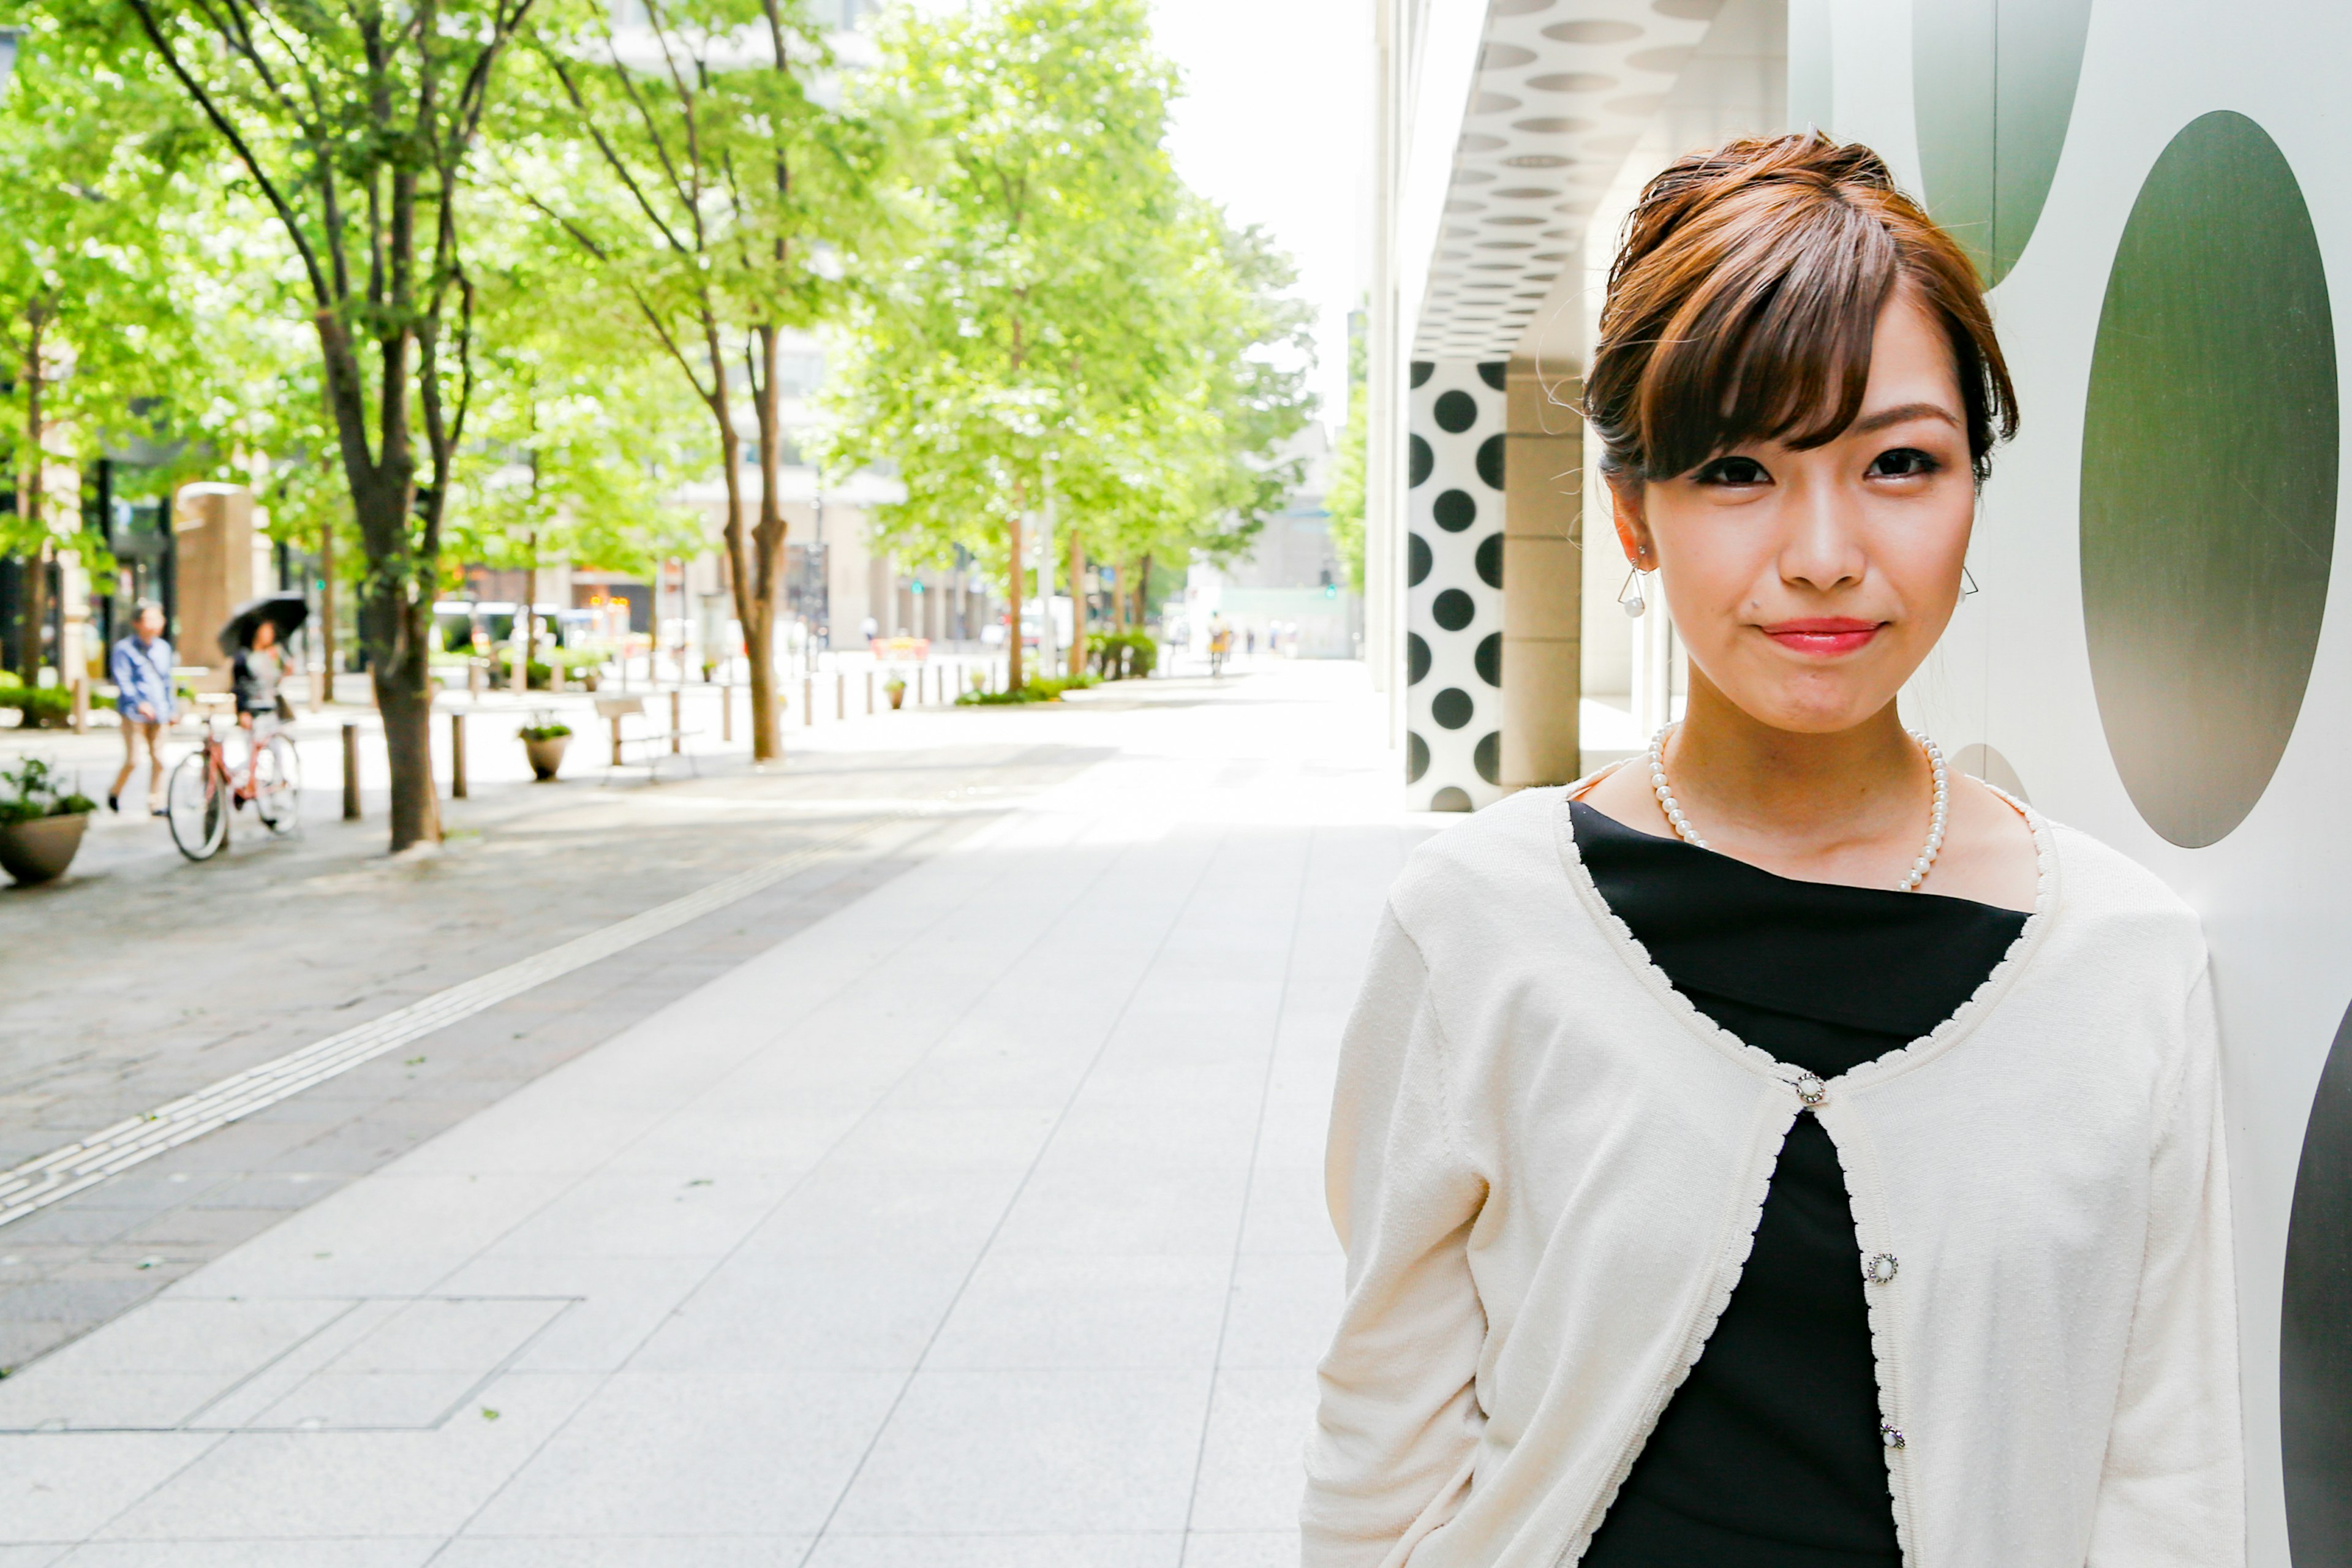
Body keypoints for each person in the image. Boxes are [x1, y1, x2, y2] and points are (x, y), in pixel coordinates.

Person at [1305, 134, 2240, 1568]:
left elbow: (2163, 1475)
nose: (1821, 549)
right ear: (1633, 511)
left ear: (1970, 493)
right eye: (1738, 466)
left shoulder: (2123, 960)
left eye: (1899, 461)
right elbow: (1382, 1444)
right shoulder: (1478, 925)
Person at [107, 601, 176, 815]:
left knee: (160, 759)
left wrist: (172, 708)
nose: (156, 623)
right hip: (134, 715)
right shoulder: (124, 650)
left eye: (159, 618)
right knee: (133, 760)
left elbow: (167, 681)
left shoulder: (164, 648)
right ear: (137, 623)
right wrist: (139, 703)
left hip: (160, 711)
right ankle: (115, 792)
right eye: (150, 618)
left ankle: (156, 803)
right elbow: (123, 680)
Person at [232, 617, 292, 794]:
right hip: (253, 710)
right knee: (253, 751)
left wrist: (284, 670)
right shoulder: (244, 657)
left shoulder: (272, 654)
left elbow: (273, 683)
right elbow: (239, 686)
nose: (270, 635)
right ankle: (244, 783)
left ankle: (276, 786)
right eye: (266, 630)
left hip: (271, 708)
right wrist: (242, 712)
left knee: (275, 749)